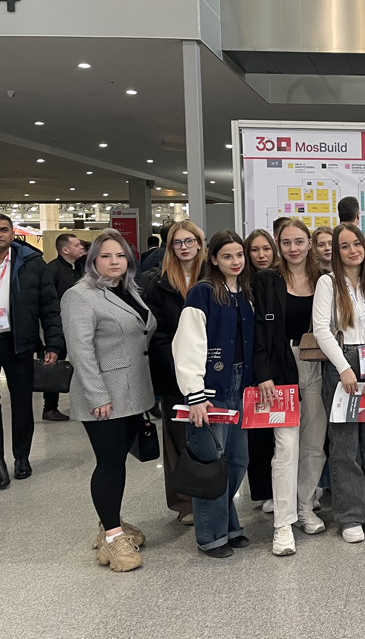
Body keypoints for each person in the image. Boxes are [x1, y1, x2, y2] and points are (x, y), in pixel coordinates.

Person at [63, 229, 156, 572]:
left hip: (132, 391)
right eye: (106, 256)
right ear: (93, 260)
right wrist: (98, 394)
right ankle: (114, 539)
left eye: (120, 255)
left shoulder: (129, 291)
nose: (114, 262)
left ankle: (110, 523)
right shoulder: (79, 296)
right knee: (109, 462)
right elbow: (80, 350)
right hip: (104, 395)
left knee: (118, 460)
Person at [173, 230, 255, 558]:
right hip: (210, 390)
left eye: (239, 255)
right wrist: (195, 395)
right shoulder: (202, 293)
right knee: (210, 464)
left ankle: (229, 525)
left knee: (236, 461)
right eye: (227, 256)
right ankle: (210, 536)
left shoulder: (245, 292)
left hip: (240, 387)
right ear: (213, 259)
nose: (235, 262)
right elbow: (187, 345)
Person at [253, 219, 328, 556]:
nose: (293, 248)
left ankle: (305, 505)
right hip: (280, 367)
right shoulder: (267, 280)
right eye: (286, 242)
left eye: (299, 241)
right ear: (278, 245)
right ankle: (283, 524)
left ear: (310, 243)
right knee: (285, 446)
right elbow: (260, 330)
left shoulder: (324, 279)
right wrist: (263, 372)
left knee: (314, 442)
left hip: (317, 363)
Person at [314, 224, 365, 541]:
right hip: (341, 363)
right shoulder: (328, 283)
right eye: (344, 246)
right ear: (336, 251)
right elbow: (321, 329)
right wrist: (344, 368)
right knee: (345, 447)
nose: (352, 250)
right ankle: (350, 517)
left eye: (356, 244)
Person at [144, 220, 205, 525]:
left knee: (208, 436)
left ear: (199, 243)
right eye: (177, 242)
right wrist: (179, 365)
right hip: (172, 374)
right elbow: (156, 334)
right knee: (178, 440)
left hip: (210, 371)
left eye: (189, 241)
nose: (184, 247)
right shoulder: (158, 283)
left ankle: (211, 495)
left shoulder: (213, 278)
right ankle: (184, 503)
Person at [0, 215, 63, 487]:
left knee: (22, 402)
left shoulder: (31, 263)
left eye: (3, 229)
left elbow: (49, 306)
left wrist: (53, 343)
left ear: (12, 233)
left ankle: (21, 457)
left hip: (20, 341)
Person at [242, 228, 280, 514]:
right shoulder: (242, 284)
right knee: (258, 434)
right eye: (254, 250)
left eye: (266, 248)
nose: (261, 255)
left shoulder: (279, 279)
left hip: (276, 361)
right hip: (250, 365)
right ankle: (264, 491)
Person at [42, 232, 85, 422]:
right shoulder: (53, 270)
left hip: (79, 323)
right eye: (77, 245)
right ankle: (50, 407)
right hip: (59, 326)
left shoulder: (80, 268)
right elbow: (47, 301)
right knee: (56, 363)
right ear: (65, 250)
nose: (81, 247)